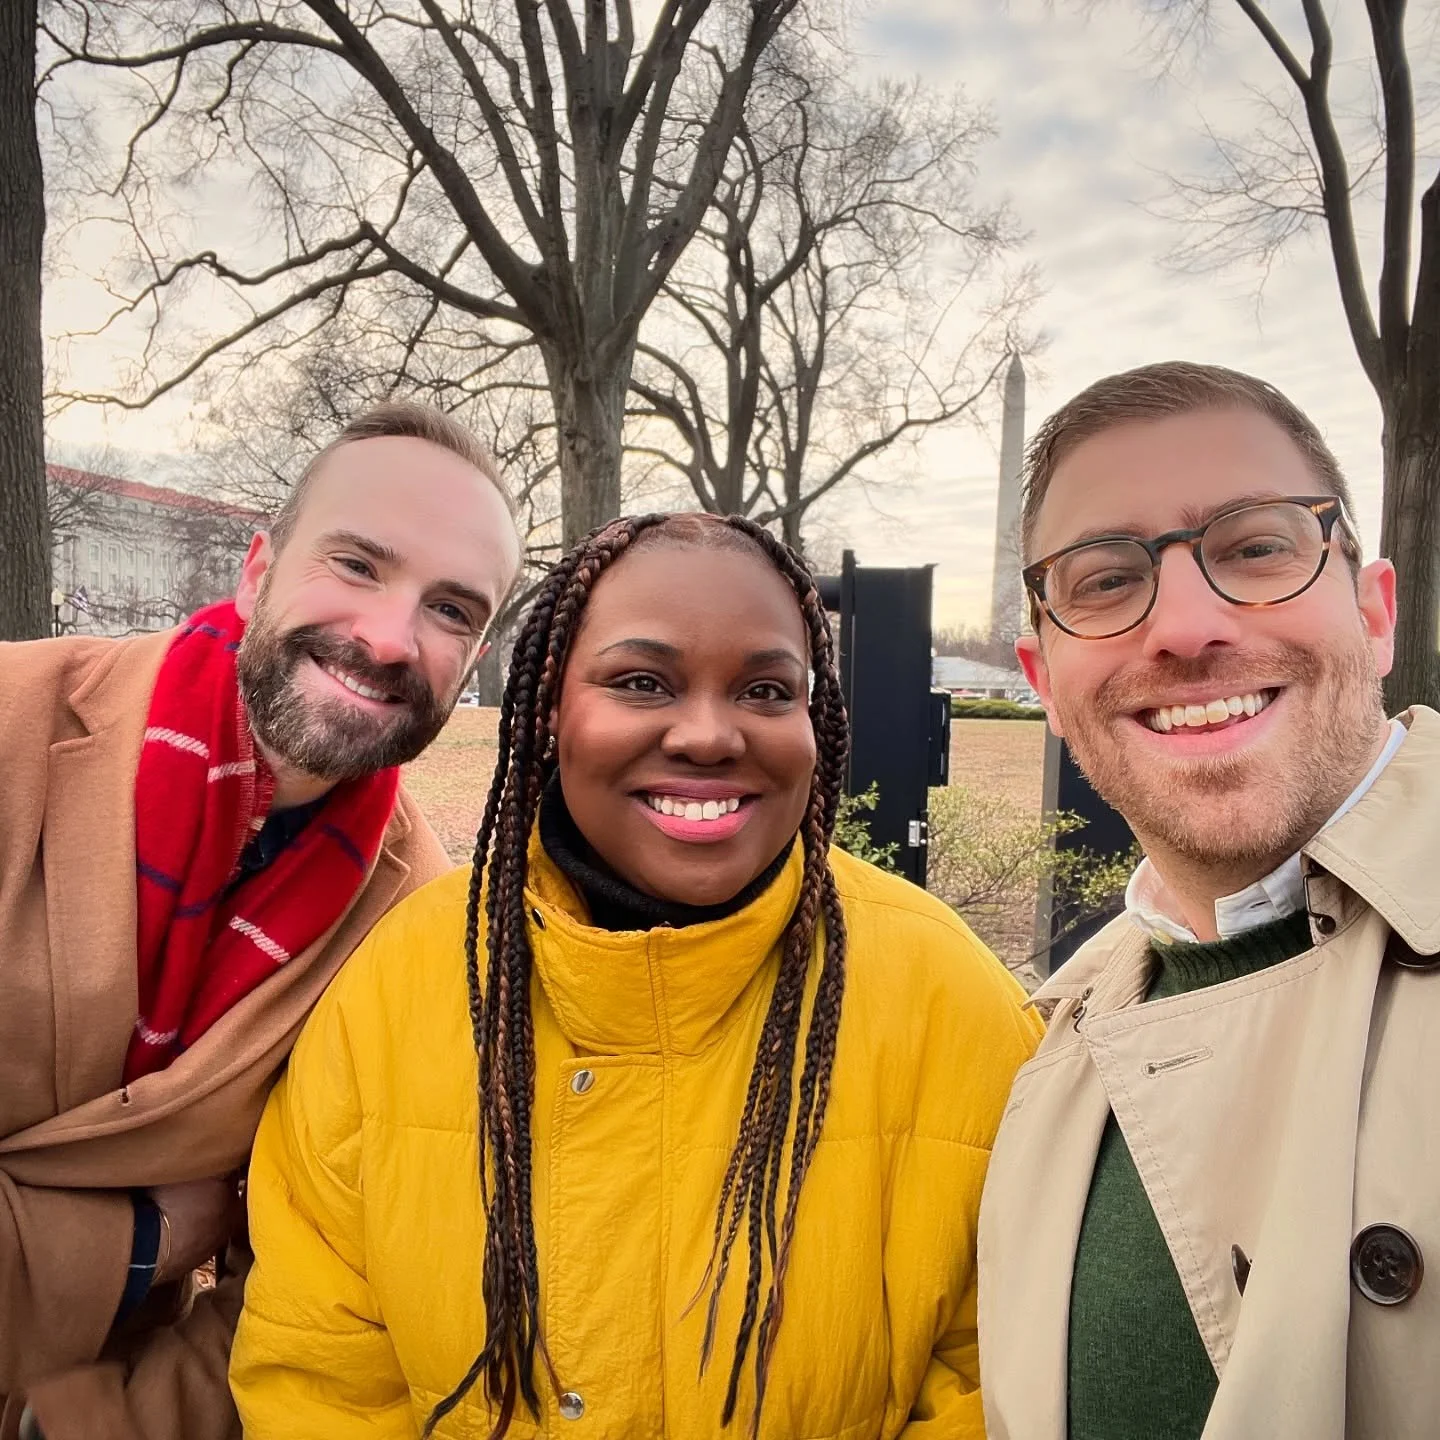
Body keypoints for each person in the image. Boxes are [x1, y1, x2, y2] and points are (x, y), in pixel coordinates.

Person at [231, 511, 1041, 1438]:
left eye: (767, 690)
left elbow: (1005, 1385)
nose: (708, 735)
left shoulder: (958, 1004)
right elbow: (320, 1378)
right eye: (641, 681)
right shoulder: (391, 996)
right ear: (547, 709)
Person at [0, 402, 521, 1440]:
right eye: (359, 565)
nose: (389, 638)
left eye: (453, 609)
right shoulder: (14, 724)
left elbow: (313, 1286)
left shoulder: (415, 922)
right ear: (256, 570)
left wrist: (86, 1424)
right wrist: (151, 1237)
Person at [976, 361, 1437, 1440]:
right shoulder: (1049, 1065)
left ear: (1376, 614)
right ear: (1044, 681)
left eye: (1257, 546)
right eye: (1103, 580)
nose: (1184, 626)